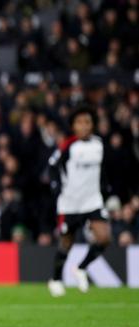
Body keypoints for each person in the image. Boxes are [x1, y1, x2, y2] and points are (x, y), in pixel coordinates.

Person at [47, 106, 111, 297]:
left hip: (93, 201)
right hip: (71, 202)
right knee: (67, 242)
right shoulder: (67, 145)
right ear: (73, 126)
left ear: (92, 125)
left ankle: (81, 268)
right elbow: (52, 165)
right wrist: (56, 186)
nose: (84, 126)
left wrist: (107, 191)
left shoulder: (99, 144)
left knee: (104, 238)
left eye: (87, 122)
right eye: (80, 122)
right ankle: (56, 279)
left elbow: (103, 172)